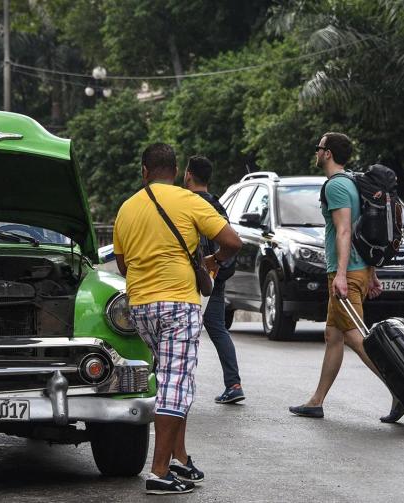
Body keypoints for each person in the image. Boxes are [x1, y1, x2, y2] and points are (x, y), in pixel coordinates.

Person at [113, 143, 242, 495]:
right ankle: (157, 473)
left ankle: (178, 459)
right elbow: (233, 241)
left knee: (173, 377)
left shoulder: (126, 208)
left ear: (144, 171)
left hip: (140, 307)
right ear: (177, 172)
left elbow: (123, 265)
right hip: (178, 306)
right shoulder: (190, 201)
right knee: (175, 381)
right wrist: (213, 261)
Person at [288, 132, 404, 423]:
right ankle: (316, 401)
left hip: (346, 272)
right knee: (334, 335)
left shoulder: (337, 187)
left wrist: (340, 274)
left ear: (327, 153)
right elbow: (365, 230)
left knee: (355, 336)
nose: (315, 152)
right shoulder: (353, 182)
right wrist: (372, 272)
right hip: (357, 269)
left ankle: (400, 389)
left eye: (318, 148)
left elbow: (344, 231)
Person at [182, 155, 246, 404]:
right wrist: (217, 262)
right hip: (214, 276)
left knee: (178, 329)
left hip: (191, 276)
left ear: (188, 174)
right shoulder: (217, 204)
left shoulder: (188, 203)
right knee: (218, 329)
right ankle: (234, 383)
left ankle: (171, 383)